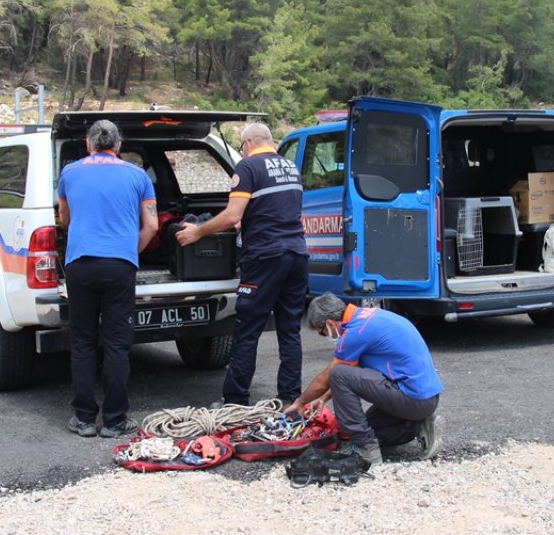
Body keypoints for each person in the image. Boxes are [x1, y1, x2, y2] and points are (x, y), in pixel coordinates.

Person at [175, 122, 308, 407]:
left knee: (247, 329)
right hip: (296, 254)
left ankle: (235, 399)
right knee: (290, 330)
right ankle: (289, 397)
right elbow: (277, 210)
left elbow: (232, 215)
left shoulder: (248, 168)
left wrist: (198, 231)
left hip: (265, 257)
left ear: (247, 144)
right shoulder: (290, 167)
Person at [57, 120, 158, 438]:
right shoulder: (138, 175)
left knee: (83, 342)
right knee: (117, 344)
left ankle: (84, 419)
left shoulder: (69, 173)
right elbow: (153, 226)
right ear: (118, 145)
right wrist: (129, 250)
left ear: (89, 144)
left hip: (80, 264)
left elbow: (64, 218)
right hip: (119, 265)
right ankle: (115, 421)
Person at [286, 293, 445, 466]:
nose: (326, 336)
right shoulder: (368, 316)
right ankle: (419, 425)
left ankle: (366, 449)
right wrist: (323, 398)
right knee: (369, 428)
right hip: (424, 398)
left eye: (322, 332)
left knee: (338, 374)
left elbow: (328, 378)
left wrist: (300, 403)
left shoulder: (356, 333)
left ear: (330, 323)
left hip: (413, 399)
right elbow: (353, 370)